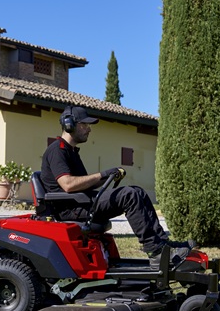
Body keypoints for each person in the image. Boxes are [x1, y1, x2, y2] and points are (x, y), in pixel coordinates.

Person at [40, 105, 194, 266]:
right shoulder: (57, 150)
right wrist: (102, 174)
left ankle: (163, 244)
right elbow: (68, 185)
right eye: (84, 125)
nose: (89, 129)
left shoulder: (71, 152)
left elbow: (83, 184)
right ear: (69, 124)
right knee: (129, 195)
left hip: (81, 202)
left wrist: (109, 176)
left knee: (137, 191)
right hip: (72, 208)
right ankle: (155, 252)